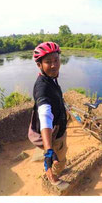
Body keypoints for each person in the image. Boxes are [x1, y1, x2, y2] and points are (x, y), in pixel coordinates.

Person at [28, 42, 69, 190]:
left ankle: (54, 168)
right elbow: (44, 114)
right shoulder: (42, 87)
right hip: (54, 136)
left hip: (59, 129)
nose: (54, 65)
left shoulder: (51, 79)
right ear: (39, 65)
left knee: (60, 155)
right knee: (57, 159)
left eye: (56, 60)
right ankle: (52, 177)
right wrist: (49, 150)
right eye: (48, 62)